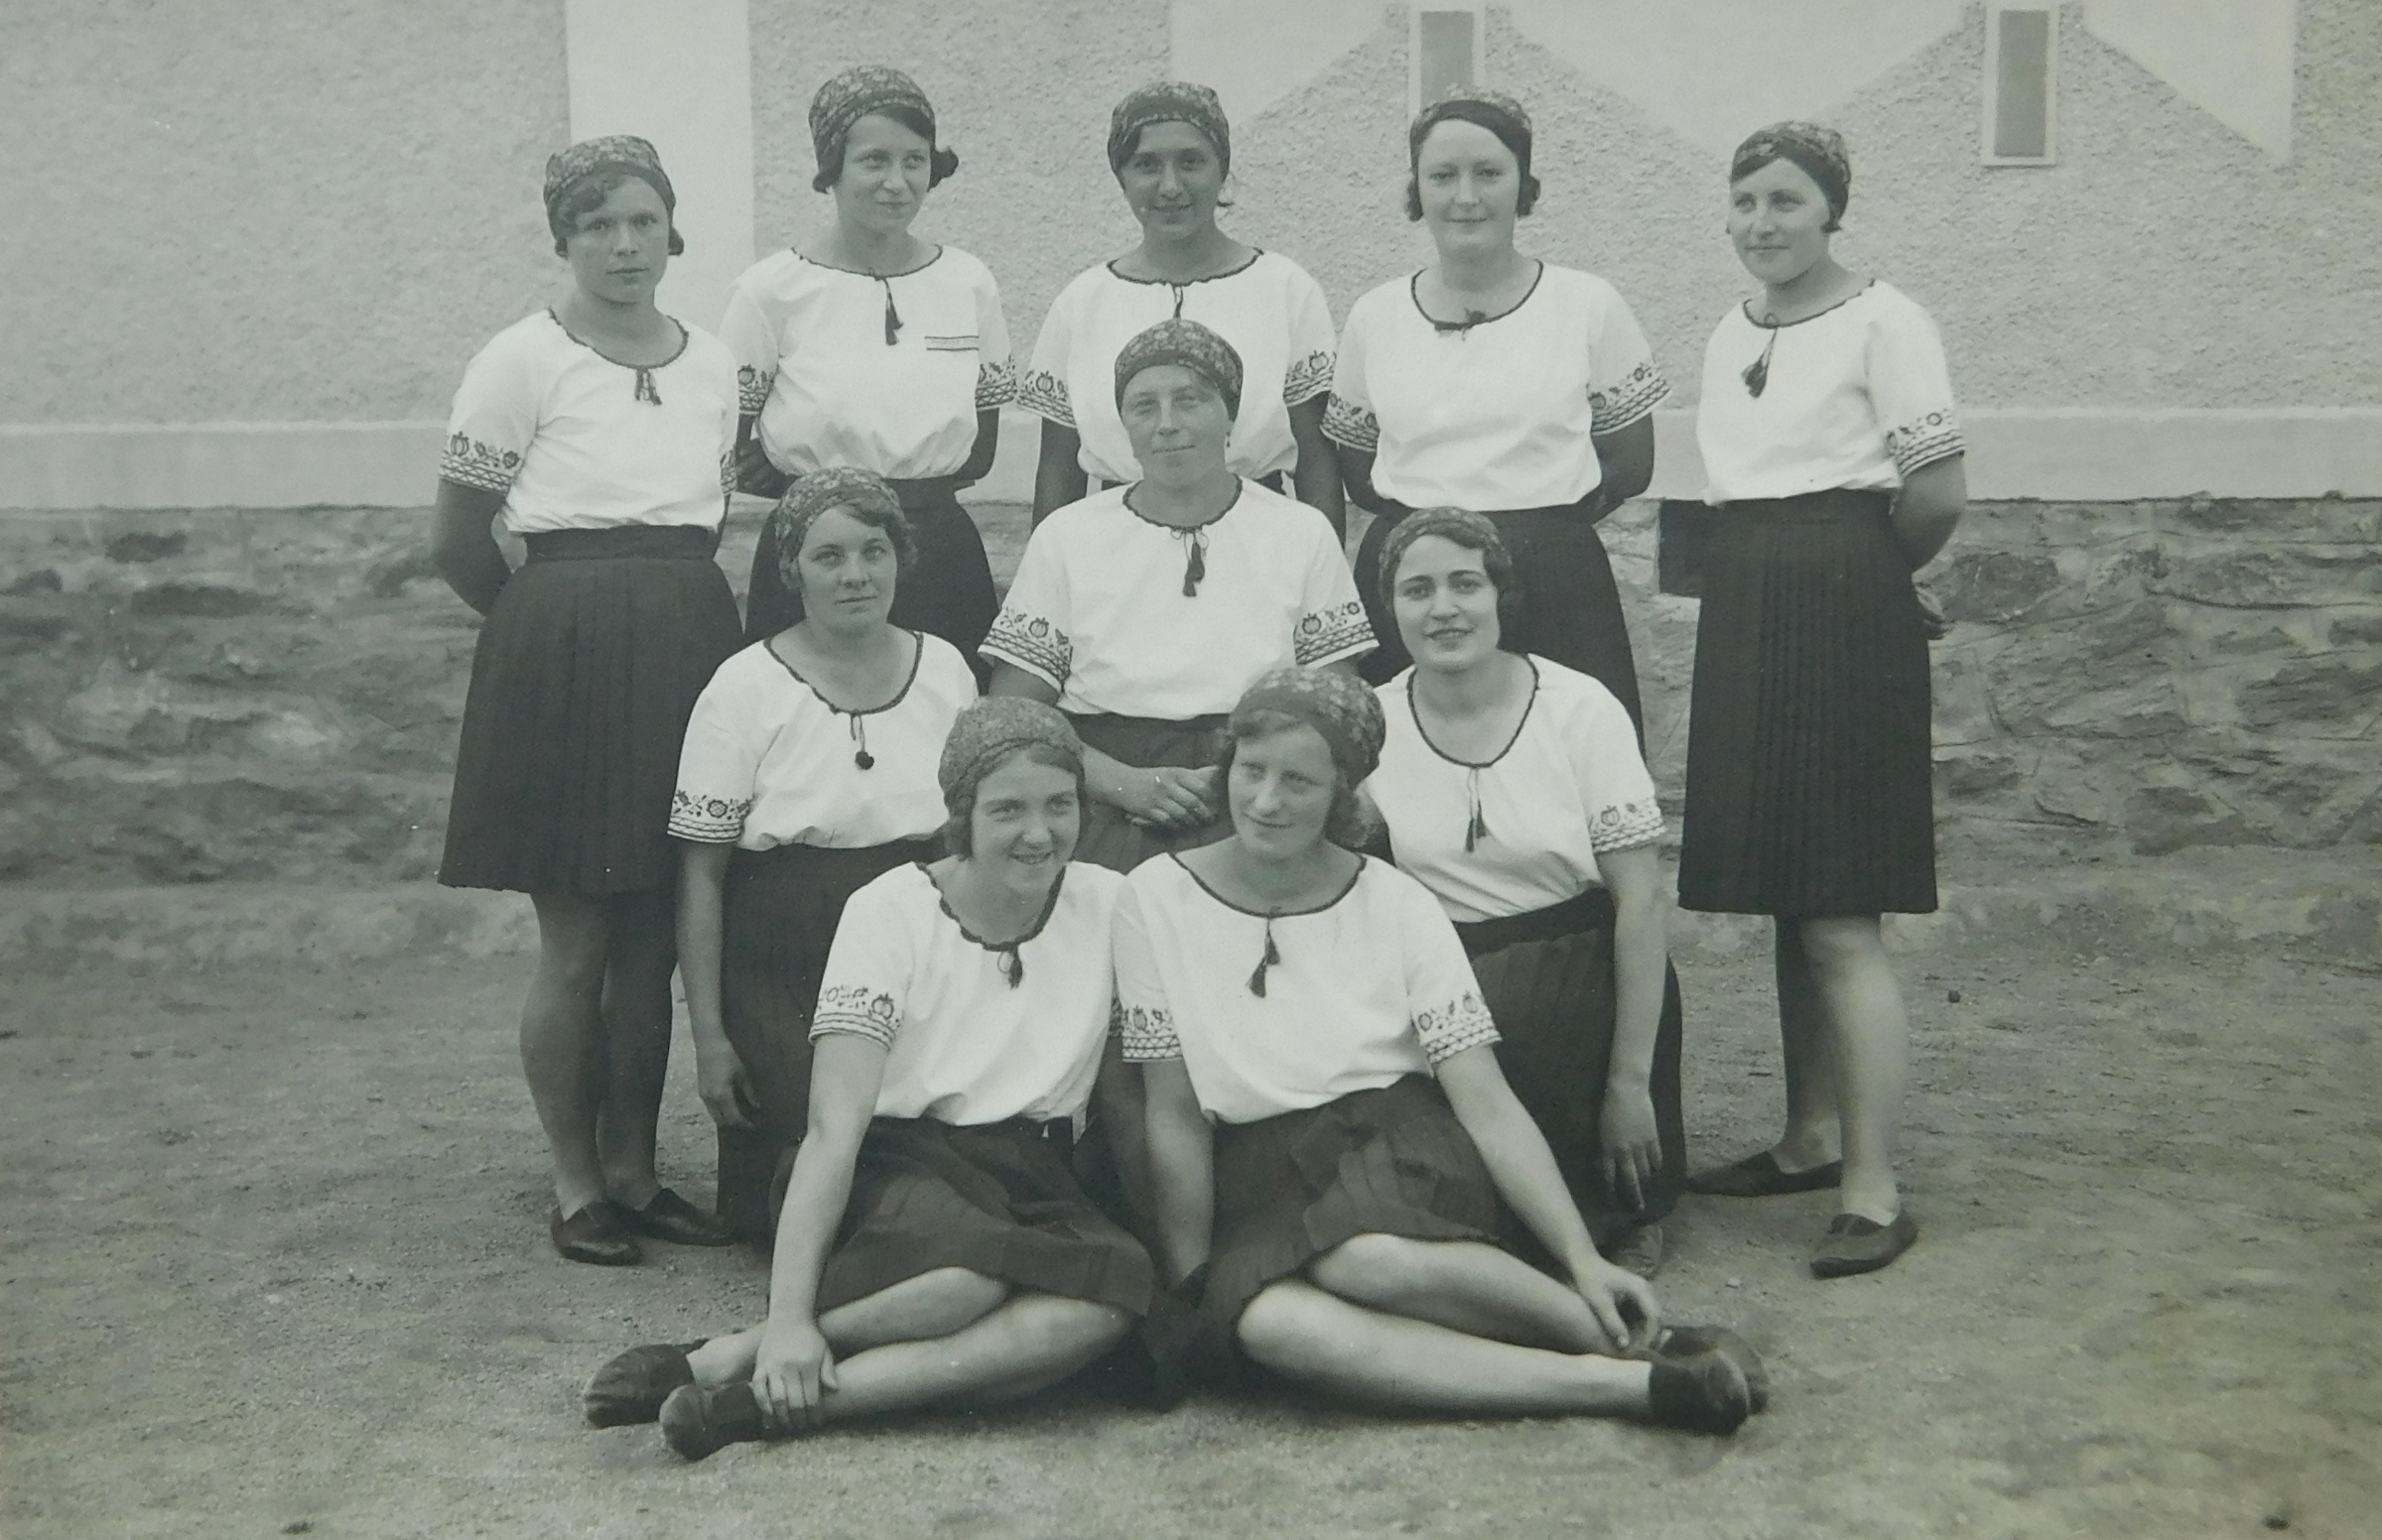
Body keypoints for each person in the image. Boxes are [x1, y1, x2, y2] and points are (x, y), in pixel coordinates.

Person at [1120, 670, 1763, 1430]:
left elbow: (1485, 1103)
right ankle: (1630, 1383)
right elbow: (1174, 1111)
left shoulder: (1396, 903)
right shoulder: (1153, 896)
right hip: (1256, 1172)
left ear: (1341, 795)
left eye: (1298, 781)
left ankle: (1623, 1332)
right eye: (1251, 771)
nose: (1265, 800)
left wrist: (1580, 1256)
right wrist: (1191, 1278)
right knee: (1269, 1326)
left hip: (1392, 1144)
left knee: (1367, 1258)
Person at [581, 700, 1152, 1460]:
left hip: (1033, 1175)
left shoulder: (1109, 903)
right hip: (894, 1166)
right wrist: (790, 1317)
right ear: (961, 813)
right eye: (1008, 809)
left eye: (1060, 805)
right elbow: (832, 1132)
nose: (1039, 833)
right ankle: (760, 1347)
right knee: (972, 1281)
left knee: (1105, 1302)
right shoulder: (891, 911)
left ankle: (756, 1399)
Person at [984, 317, 1372, 1242]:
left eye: (1190, 400)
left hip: (1260, 786)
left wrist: (1249, 780)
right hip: (1108, 790)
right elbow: (1013, 710)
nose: (1167, 424)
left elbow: (1339, 702)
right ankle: (1143, 1225)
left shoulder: (1298, 532)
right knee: (1126, 1021)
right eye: (1143, 405)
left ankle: (1265, 1213)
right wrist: (1120, 783)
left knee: (1261, 1000)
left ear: (1231, 414)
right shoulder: (1072, 536)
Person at [433, 136, 741, 1265]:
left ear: (672, 232)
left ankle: (636, 1170)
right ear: (564, 239)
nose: (623, 245)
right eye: (598, 225)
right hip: (559, 648)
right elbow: (459, 539)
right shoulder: (520, 358)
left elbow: (710, 505)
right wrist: (543, 631)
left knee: (656, 936)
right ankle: (575, 1183)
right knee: (576, 939)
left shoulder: (714, 363)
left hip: (687, 641)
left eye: (642, 222)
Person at [1676, 123, 1966, 1279]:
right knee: (1785, 897)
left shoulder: (1889, 320)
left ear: (1831, 210)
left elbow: (1936, 492)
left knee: (1842, 911)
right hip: (1747, 594)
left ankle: (1873, 1186)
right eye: (1745, 200)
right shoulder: (1727, 330)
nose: (1762, 222)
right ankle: (1807, 1137)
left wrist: (1868, 580)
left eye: (1786, 200)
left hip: (1845, 590)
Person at [1366, 510, 1685, 1276]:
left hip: (1582, 971)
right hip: (1445, 969)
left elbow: (1641, 901)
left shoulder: (1579, 709)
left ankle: (1615, 1208)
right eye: (1418, 590)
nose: (1443, 609)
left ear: (1502, 596)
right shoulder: (1374, 720)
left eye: (1465, 584)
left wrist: (1629, 1084)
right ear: (1392, 608)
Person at [671, 469, 977, 1244]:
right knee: (830, 1170)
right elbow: (702, 875)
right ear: (791, 570)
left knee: (938, 1159)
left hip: (915, 933)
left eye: (874, 551)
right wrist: (710, 1038)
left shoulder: (944, 669)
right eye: (828, 557)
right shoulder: (743, 687)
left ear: (901, 560)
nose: (855, 575)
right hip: (785, 951)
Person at [1327, 87, 1667, 722]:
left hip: (1552, 581)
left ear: (1523, 184)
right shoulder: (1375, 315)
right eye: (1442, 176)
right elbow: (1357, 468)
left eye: (1488, 173)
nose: (1466, 196)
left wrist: (1535, 523)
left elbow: (1629, 462)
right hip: (1413, 574)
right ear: (1416, 189)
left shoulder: (1586, 304)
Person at [723, 65, 1008, 681]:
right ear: (832, 168)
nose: (896, 183)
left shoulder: (968, 282)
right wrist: (819, 493)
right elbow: (728, 446)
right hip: (816, 552)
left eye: (914, 161)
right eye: (874, 160)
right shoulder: (771, 291)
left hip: (939, 554)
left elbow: (981, 449)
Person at [1021, 81, 1343, 534]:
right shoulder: (1083, 303)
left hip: (1259, 538)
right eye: (1147, 165)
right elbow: (1058, 468)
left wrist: (1324, 564)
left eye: (1191, 162)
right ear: (1121, 176)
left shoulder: (1285, 289)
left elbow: (1315, 459)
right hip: (1117, 542)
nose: (1170, 186)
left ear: (1221, 169)